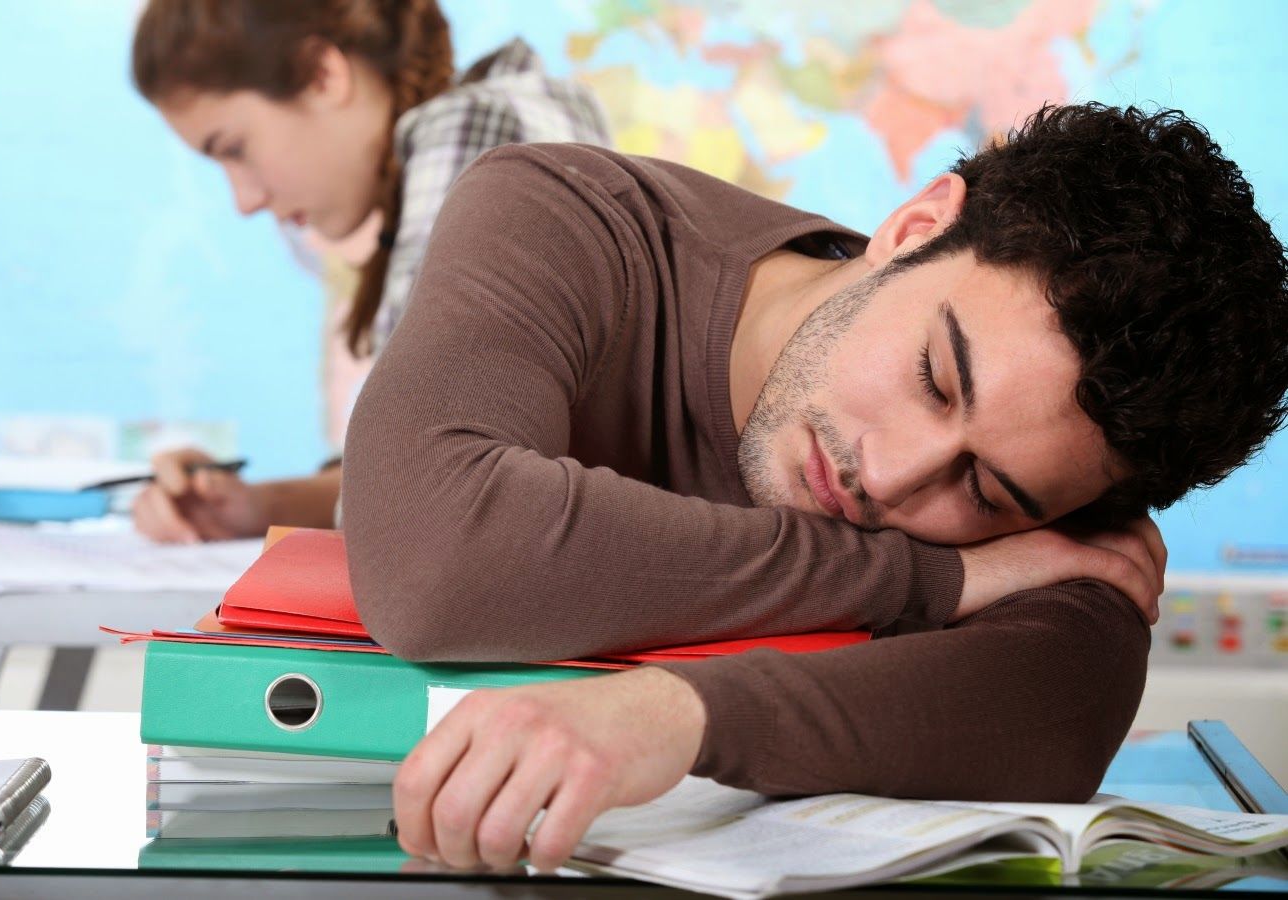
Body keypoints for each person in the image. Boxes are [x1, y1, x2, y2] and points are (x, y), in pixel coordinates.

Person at [339, 103, 1288, 870]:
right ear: (915, 228)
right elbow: (436, 552)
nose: (891, 477)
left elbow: (1064, 706)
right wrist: (932, 579)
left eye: (984, 491)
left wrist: (679, 714)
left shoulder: (1062, 443)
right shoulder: (570, 215)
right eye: (935, 378)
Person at [127, 0, 609, 543]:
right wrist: (254, 505)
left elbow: (425, 489)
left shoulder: (481, 128)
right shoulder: (495, 124)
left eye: (235, 149)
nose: (245, 200)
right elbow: (416, 470)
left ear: (322, 75)